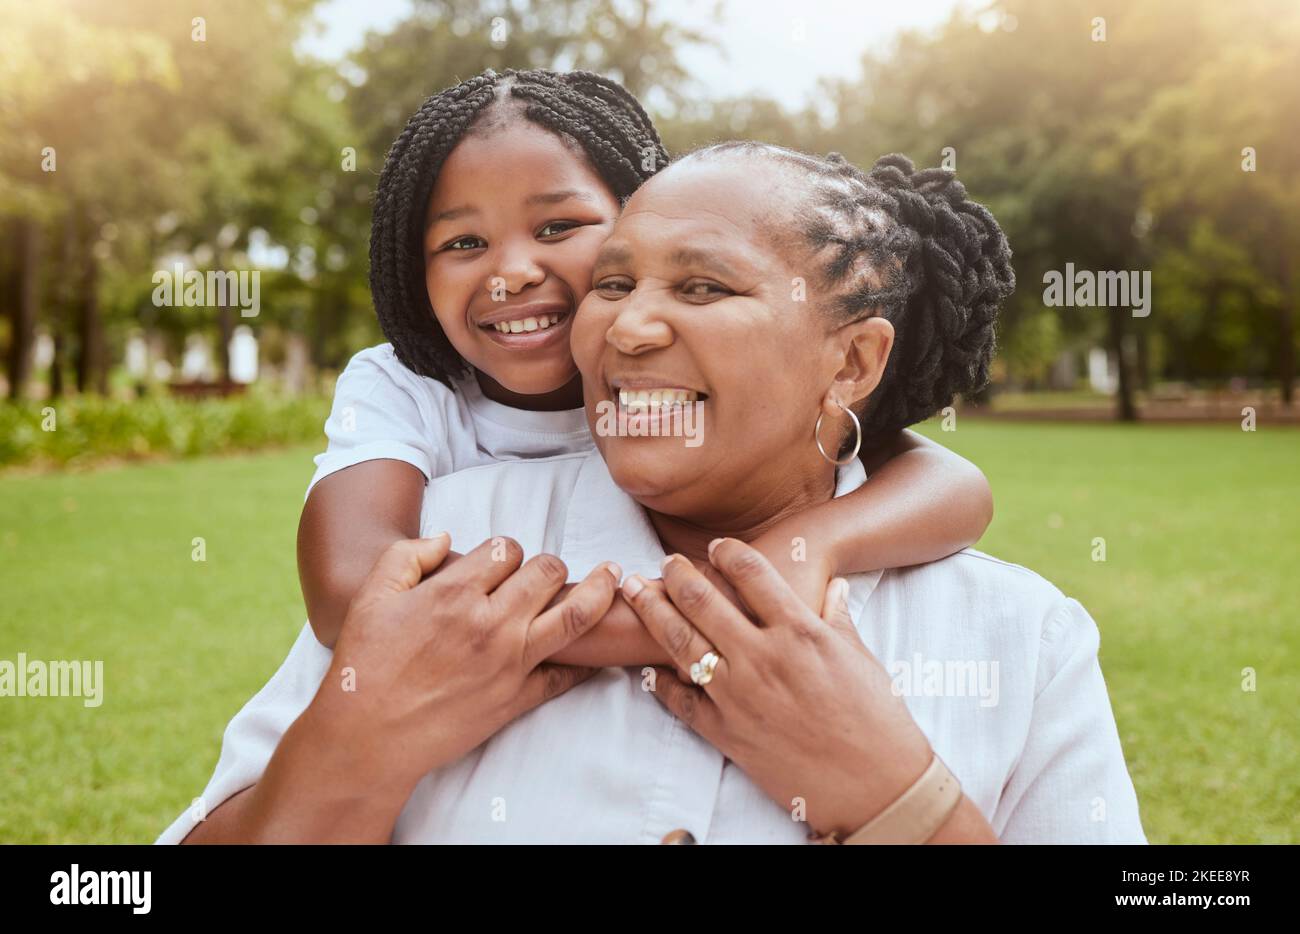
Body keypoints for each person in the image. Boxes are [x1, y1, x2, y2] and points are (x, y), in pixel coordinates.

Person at [160, 144, 1145, 844]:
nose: (626, 331)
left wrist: (898, 799)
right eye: (613, 283)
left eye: (704, 289)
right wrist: (353, 751)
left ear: (850, 361)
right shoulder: (438, 555)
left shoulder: (1020, 636)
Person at [298, 68, 994, 675]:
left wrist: (811, 547)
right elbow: (348, 590)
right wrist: (668, 628)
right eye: (464, 242)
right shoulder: (405, 388)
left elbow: (952, 484)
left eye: (557, 228)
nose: (512, 272)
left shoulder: (710, 391)